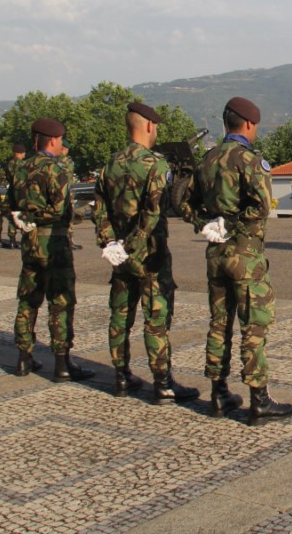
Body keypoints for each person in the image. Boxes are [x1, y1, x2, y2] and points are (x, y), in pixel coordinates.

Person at [189, 97, 292, 425]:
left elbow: (185, 202)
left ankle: (218, 394)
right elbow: (261, 207)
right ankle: (258, 400)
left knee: (219, 324)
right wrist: (232, 224)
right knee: (254, 325)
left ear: (226, 123)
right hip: (245, 256)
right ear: (249, 124)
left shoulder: (207, 159)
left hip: (216, 255)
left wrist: (207, 224)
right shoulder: (249, 160)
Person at [94, 102, 201, 403]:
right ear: (150, 127)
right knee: (155, 317)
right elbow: (154, 212)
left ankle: (121, 376)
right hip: (150, 256)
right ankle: (163, 382)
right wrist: (133, 244)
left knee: (120, 315)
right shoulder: (156, 164)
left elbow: (98, 209)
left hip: (119, 258)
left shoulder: (109, 164)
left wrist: (109, 244)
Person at [8, 118, 94, 382]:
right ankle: (62, 362)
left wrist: (27, 216)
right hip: (54, 243)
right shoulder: (56, 170)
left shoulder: (20, 168)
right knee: (61, 302)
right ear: (54, 141)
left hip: (30, 243)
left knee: (28, 299)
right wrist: (84, 210)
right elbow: (60, 211)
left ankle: (24, 357)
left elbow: (11, 205)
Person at [0, 143, 27, 249]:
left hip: (10, 192)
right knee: (23, 216)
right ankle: (25, 239)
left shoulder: (8, 164)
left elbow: (2, 178)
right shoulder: (23, 164)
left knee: (11, 216)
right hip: (21, 192)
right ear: (21, 153)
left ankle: (12, 241)